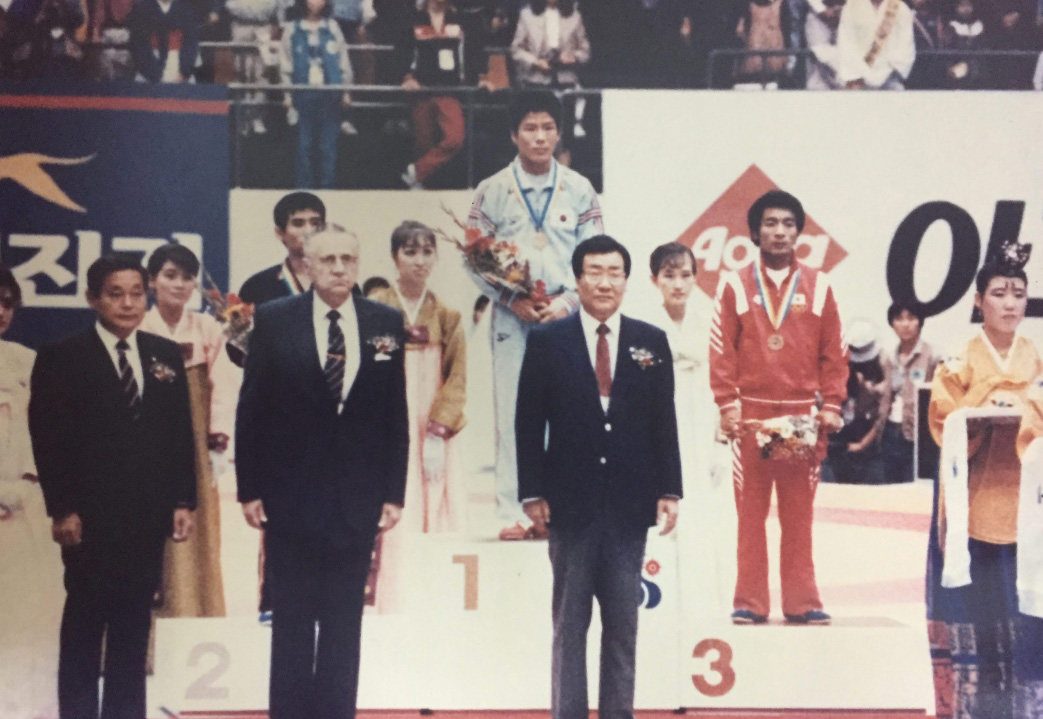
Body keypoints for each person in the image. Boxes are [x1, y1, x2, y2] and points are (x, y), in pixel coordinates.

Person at [236, 227, 409, 719]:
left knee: (343, 627)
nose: (338, 268)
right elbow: (252, 409)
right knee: (291, 625)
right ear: (308, 266)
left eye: (348, 259)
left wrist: (393, 492)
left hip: (357, 500)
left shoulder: (384, 321)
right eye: (328, 259)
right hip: (289, 498)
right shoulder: (275, 319)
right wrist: (250, 489)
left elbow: (394, 412)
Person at [515, 235, 682, 719]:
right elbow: (528, 422)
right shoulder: (548, 341)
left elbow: (663, 421)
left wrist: (669, 489)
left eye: (614, 273)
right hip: (569, 505)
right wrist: (532, 491)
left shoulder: (651, 341)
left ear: (627, 281)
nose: (605, 282)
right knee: (570, 626)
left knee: (623, 627)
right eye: (595, 272)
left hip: (630, 505)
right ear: (578, 279)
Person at [28, 253, 196, 719]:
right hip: (89, 518)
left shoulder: (164, 354)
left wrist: (183, 500)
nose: (128, 304)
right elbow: (48, 440)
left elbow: (180, 433)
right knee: (85, 624)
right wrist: (62, 508)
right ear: (92, 299)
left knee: (134, 626)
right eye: (115, 294)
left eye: (137, 293)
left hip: (147, 515)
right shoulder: (62, 357)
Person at [466, 91, 603, 541]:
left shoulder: (580, 189)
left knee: (567, 414)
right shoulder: (492, 190)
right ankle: (513, 510)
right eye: (530, 128)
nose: (540, 137)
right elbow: (473, 257)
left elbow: (596, 256)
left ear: (559, 133)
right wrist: (510, 300)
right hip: (513, 316)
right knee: (511, 412)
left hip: (563, 315)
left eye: (547, 128)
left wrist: (568, 303)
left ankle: (561, 508)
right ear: (514, 134)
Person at [709, 189, 848, 626]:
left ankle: (802, 601)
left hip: (799, 416)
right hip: (751, 415)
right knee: (750, 513)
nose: (780, 232)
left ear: (799, 232)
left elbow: (835, 351)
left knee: (797, 513)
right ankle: (749, 601)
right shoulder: (734, 284)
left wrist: (832, 403)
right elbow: (721, 349)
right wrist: (727, 404)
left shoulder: (819, 286)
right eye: (770, 223)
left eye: (788, 224)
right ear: (755, 232)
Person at [926, 248, 1041, 719]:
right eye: (998, 293)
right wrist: (983, 406)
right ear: (978, 301)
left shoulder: (1038, 358)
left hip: (1030, 504)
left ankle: (1030, 707)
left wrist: (1025, 412)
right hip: (976, 502)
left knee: (1029, 612)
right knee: (984, 614)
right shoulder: (958, 361)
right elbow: (943, 420)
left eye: (1018, 293)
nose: (1010, 303)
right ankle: (980, 707)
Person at [235, 190, 326, 622]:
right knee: (281, 514)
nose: (307, 230)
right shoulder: (258, 287)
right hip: (279, 418)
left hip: (331, 416)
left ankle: (325, 600)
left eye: (315, 221)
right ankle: (274, 600)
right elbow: (240, 356)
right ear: (279, 232)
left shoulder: (340, 278)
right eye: (297, 222)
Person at [368, 221, 467, 612]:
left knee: (438, 502)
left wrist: (438, 431)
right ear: (395, 257)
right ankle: (391, 601)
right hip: (387, 423)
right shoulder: (376, 308)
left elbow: (457, 377)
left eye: (427, 251)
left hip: (431, 428)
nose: (419, 260)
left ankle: (436, 602)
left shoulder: (447, 314)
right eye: (410, 252)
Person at [140, 243, 235, 619]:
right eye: (170, 275)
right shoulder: (140, 327)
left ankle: (199, 614)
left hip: (196, 435)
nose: (179, 284)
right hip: (149, 438)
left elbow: (223, 385)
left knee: (200, 523)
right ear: (152, 281)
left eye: (187, 277)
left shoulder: (207, 328)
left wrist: (217, 438)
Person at [644, 241, 734, 616]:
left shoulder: (712, 320)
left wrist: (720, 436)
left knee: (707, 513)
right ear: (655, 280)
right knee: (661, 511)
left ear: (696, 278)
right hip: (661, 421)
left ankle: (707, 605)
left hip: (702, 418)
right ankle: (661, 606)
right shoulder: (642, 325)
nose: (678, 284)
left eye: (685, 275)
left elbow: (726, 380)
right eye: (669, 276)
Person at [0, 265, 63, 719]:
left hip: (25, 507)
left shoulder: (27, 361)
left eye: (7, 303)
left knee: (32, 616)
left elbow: (51, 434)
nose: (1, 312)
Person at [280, 0, 353, 189]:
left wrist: (346, 91)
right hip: (303, 95)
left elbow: (343, 61)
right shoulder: (292, 29)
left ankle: (327, 188)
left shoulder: (332, 27)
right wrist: (287, 95)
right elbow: (285, 65)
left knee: (328, 147)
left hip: (329, 95)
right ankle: (304, 189)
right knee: (303, 146)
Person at [398, 0, 468, 190]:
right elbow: (403, 51)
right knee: (423, 144)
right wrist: (406, 77)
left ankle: (416, 171)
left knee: (455, 138)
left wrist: (481, 76)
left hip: (449, 90)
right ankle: (419, 185)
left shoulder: (459, 18)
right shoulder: (413, 18)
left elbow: (470, 52)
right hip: (422, 90)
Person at [822, 318, 890, 485]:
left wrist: (862, 444)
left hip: (868, 445)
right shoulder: (836, 363)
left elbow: (882, 413)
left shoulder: (882, 364)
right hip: (837, 444)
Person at [882, 301, 936, 484]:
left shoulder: (932, 356)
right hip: (891, 431)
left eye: (911, 318)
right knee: (890, 488)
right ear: (892, 324)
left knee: (914, 488)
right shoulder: (890, 357)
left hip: (918, 435)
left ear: (920, 322)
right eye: (899, 319)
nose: (905, 324)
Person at [836, 0, 915, 89]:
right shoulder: (851, 7)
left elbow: (905, 46)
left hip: (890, 78)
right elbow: (846, 43)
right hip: (858, 79)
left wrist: (886, 73)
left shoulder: (901, 8)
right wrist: (856, 75)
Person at [128, 0, 200, 83]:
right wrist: (156, 75)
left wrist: (183, 72)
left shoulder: (186, 8)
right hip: (149, 71)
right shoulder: (141, 8)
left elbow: (191, 43)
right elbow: (139, 45)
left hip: (180, 68)